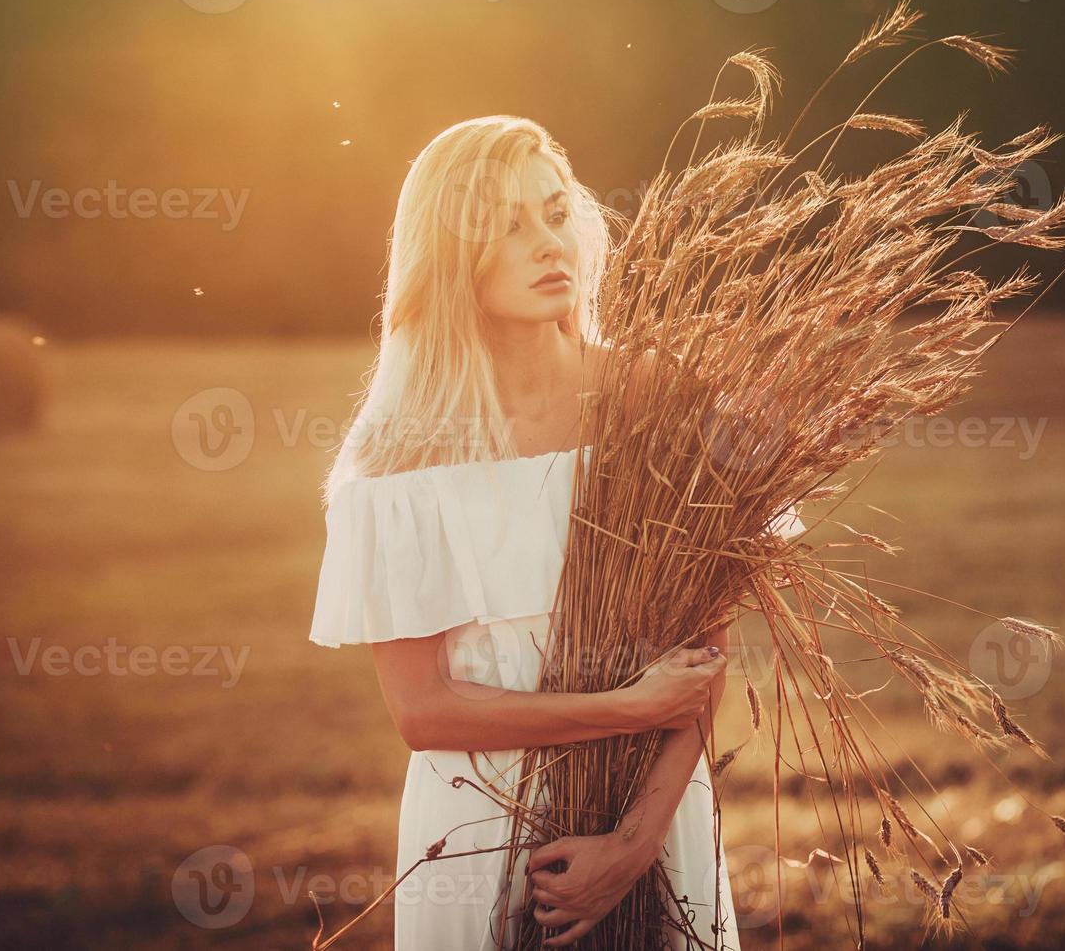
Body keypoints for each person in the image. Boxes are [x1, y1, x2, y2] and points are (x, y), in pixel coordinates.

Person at [310, 115, 802, 949]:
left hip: (651, 817)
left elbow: (702, 657)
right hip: (475, 833)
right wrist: (623, 706)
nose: (547, 244)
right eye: (506, 225)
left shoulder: (652, 397)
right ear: (448, 255)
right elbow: (423, 711)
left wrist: (632, 845)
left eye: (552, 211)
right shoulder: (403, 451)